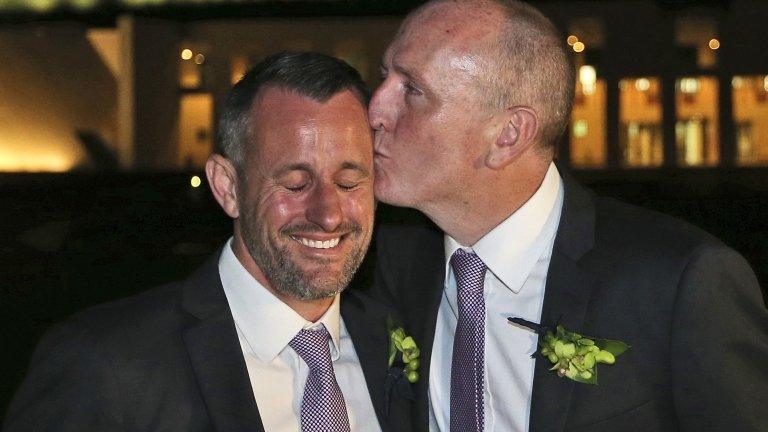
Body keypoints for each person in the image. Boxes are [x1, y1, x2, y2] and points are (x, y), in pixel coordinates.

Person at [368, 1, 768, 431]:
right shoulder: (379, 265)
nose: (374, 111)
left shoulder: (679, 282)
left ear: (508, 135)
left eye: (412, 90)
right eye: (384, 77)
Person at [5, 52, 404, 432]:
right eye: (295, 184)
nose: (329, 214)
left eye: (349, 182)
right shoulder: (103, 364)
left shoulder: (398, 333)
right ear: (227, 187)